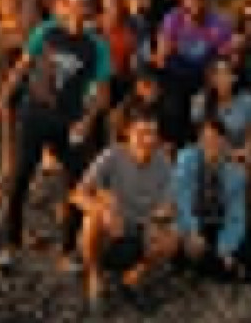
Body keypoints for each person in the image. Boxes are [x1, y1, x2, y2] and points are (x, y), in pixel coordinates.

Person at [0, 0, 112, 270]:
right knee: (20, 179)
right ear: (66, 7)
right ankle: (11, 247)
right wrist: (1, 100)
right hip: (34, 114)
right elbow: (22, 67)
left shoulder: (97, 46)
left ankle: (68, 252)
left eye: (85, 4)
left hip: (69, 120)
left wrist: (86, 120)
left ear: (91, 9)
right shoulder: (46, 32)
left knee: (78, 183)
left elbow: (103, 95)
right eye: (74, 3)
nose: (79, 9)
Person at [72, 107, 180, 313]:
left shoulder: (163, 163)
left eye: (152, 134)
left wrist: (160, 220)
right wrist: (103, 209)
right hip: (112, 228)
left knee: (172, 238)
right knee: (91, 218)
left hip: (142, 226)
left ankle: (132, 278)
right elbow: (77, 193)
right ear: (128, 133)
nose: (148, 140)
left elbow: (169, 204)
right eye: (141, 134)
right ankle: (94, 277)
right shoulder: (112, 155)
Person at [175, 115, 251, 281]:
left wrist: (224, 248)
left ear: (224, 142)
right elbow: (182, 200)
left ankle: (219, 265)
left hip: (219, 225)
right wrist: (192, 232)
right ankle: (237, 271)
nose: (211, 144)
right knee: (182, 249)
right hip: (192, 224)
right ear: (198, 141)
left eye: (216, 139)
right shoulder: (186, 160)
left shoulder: (235, 174)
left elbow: (236, 217)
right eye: (206, 139)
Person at [0, 0, 41, 204]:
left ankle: (32, 164)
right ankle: (7, 165)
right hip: (9, 54)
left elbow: (39, 23)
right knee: (9, 111)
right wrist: (2, 30)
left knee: (31, 109)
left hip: (29, 55)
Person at [154, 0, 234, 148]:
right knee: (173, 105)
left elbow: (225, 57)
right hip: (177, 76)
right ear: (183, 1)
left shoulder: (218, 23)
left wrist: (207, 84)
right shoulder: (173, 19)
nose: (196, 2)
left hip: (204, 76)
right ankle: (172, 146)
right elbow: (162, 55)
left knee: (203, 107)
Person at [190, 58, 251, 172]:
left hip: (242, 153)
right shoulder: (200, 101)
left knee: (250, 165)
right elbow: (201, 138)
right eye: (217, 74)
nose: (221, 78)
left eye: (225, 73)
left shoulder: (249, 100)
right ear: (212, 79)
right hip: (212, 153)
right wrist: (229, 154)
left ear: (234, 77)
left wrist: (247, 150)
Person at [98, 0, 142, 107]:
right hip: (97, 81)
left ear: (125, 0)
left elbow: (135, 64)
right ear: (103, 0)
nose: (114, 0)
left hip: (123, 80)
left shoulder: (134, 26)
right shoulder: (93, 26)